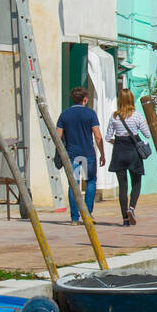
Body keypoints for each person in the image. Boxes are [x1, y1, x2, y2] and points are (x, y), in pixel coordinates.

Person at [56, 86, 104, 224]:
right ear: (85, 99)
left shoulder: (64, 114)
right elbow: (97, 135)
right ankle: (88, 214)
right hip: (88, 153)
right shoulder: (90, 114)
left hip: (72, 154)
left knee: (74, 184)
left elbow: (58, 135)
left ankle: (74, 218)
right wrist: (102, 154)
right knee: (91, 182)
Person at [105, 88, 150, 226]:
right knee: (136, 183)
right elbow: (147, 134)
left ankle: (125, 219)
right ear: (131, 99)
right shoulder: (137, 116)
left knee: (122, 186)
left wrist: (117, 141)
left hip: (119, 152)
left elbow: (108, 137)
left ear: (119, 100)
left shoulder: (114, 116)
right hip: (133, 153)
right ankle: (131, 208)